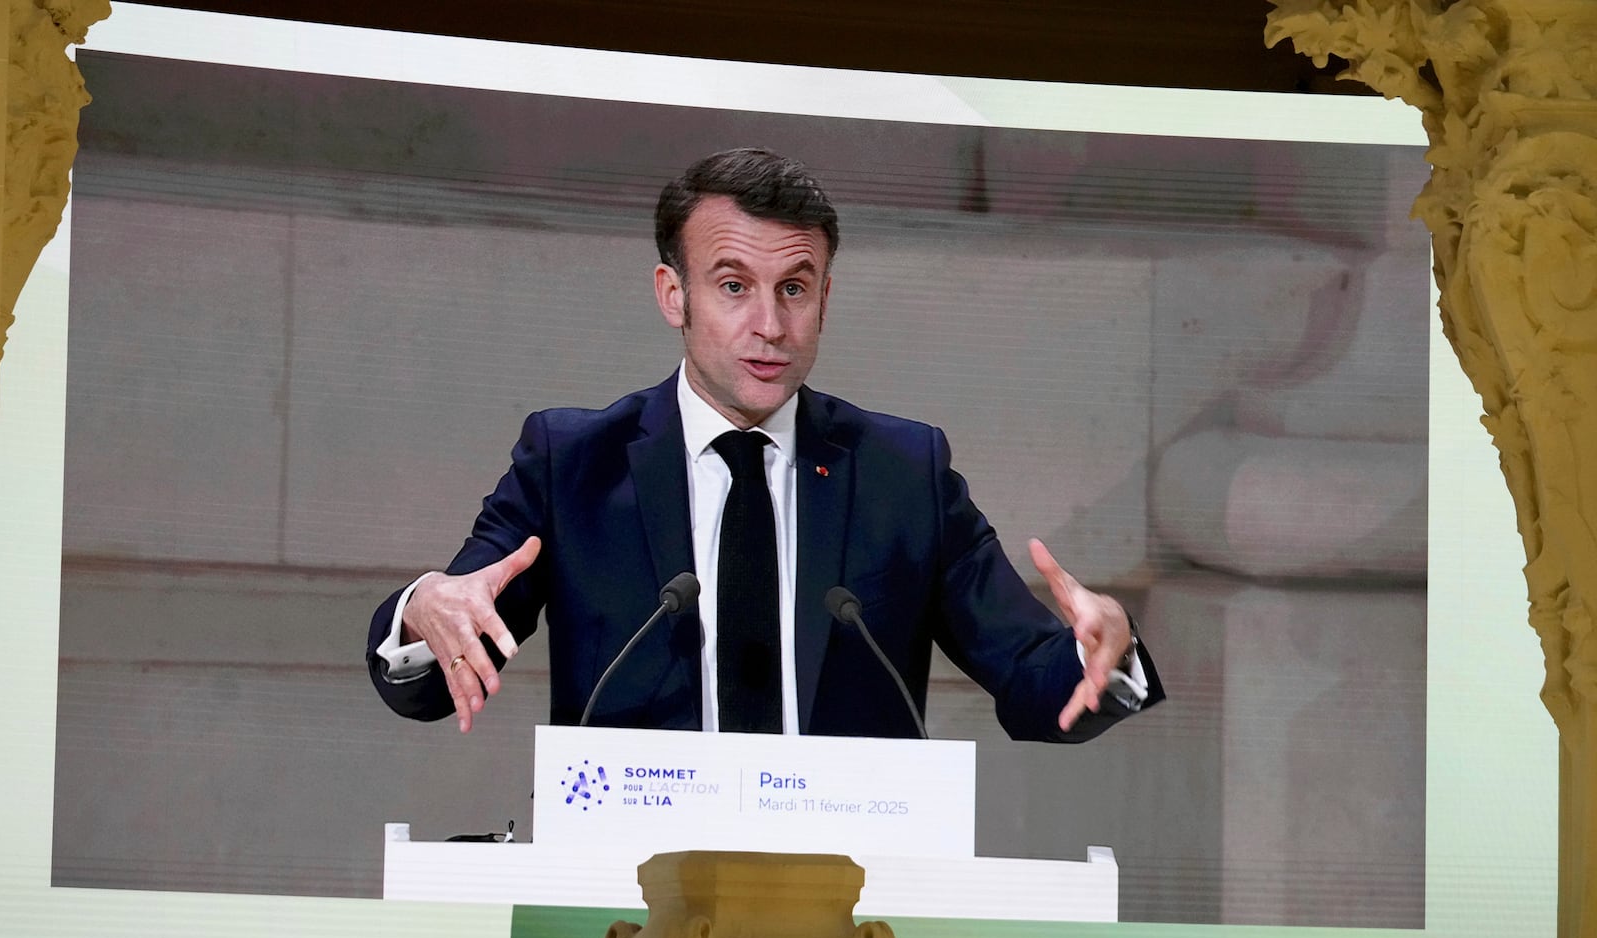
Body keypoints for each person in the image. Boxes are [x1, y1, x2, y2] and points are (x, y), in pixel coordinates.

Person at [367, 148, 1163, 740]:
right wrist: (424, 611)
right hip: (628, 891)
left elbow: (1034, 683)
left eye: (795, 287)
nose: (771, 326)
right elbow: (435, 676)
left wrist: (1105, 652)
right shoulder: (573, 463)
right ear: (673, 294)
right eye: (734, 285)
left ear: (825, 296)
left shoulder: (900, 474)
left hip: (844, 901)